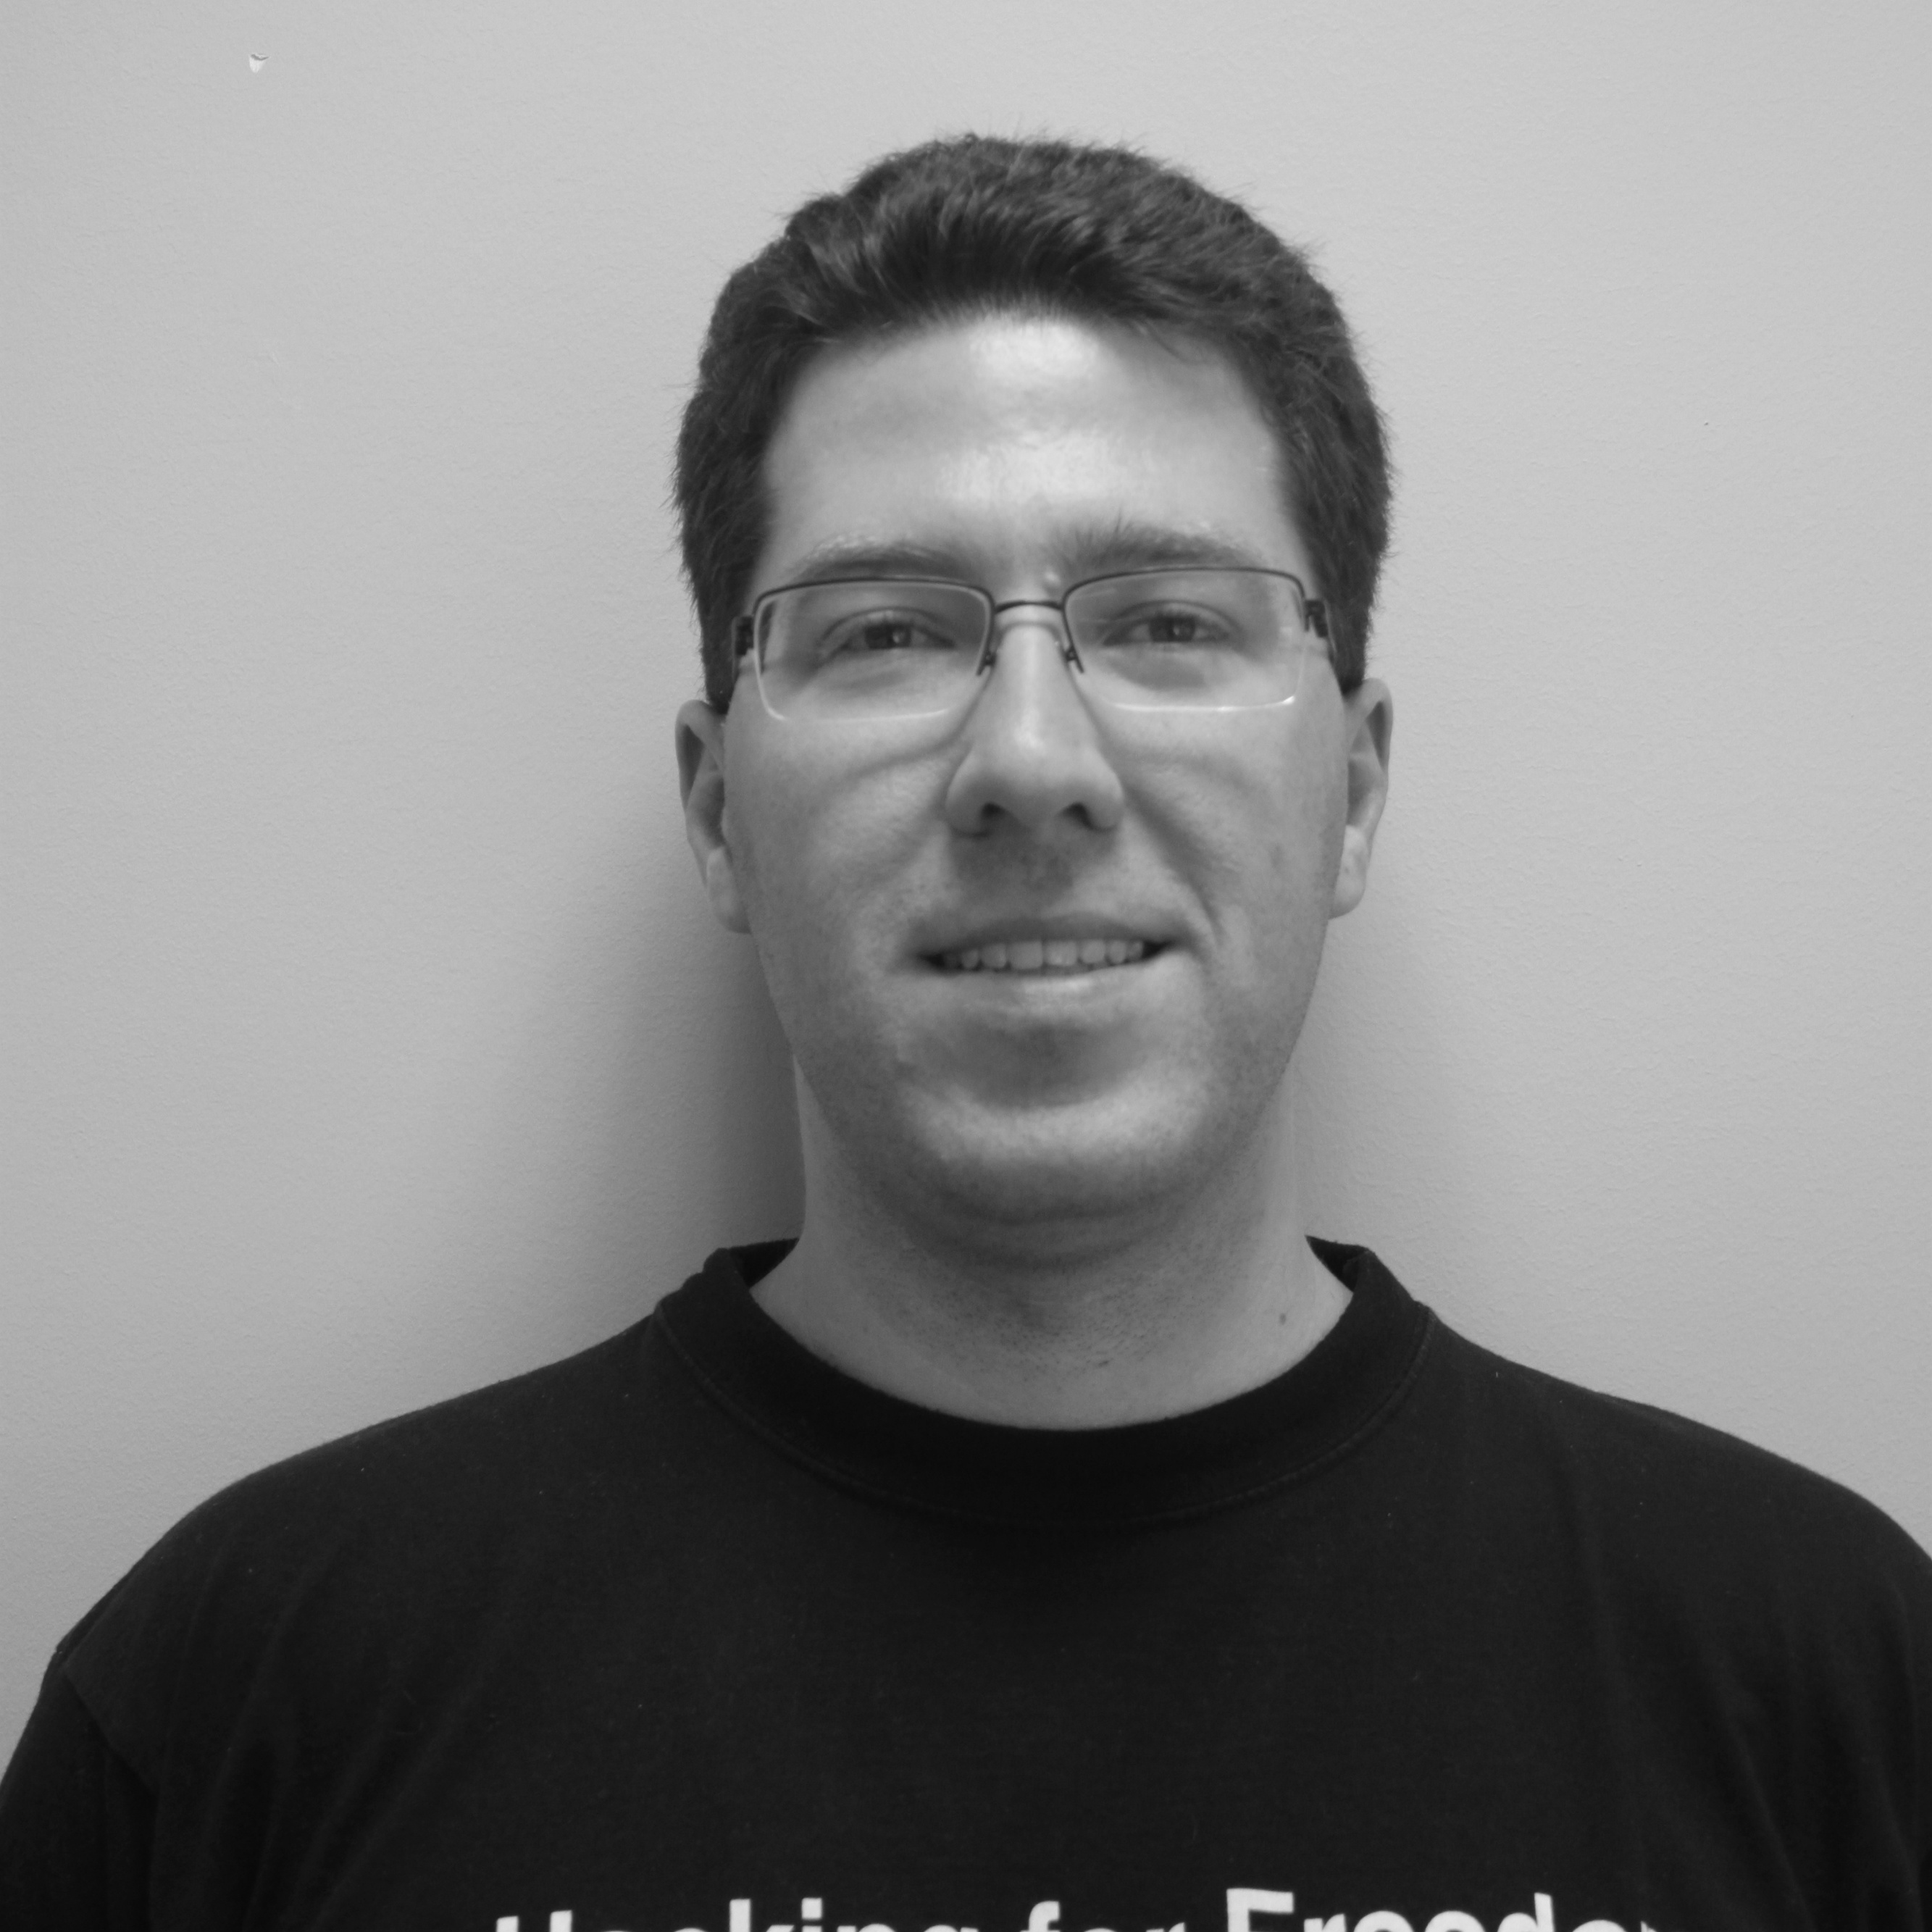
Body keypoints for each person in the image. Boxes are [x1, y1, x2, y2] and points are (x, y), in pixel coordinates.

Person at [1, 133, 1927, 1932]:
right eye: (885, 631)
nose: (1029, 759)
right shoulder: (246, 1700)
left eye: (1167, 621)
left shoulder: (1828, 1685)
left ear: (1349, 791)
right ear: (717, 810)